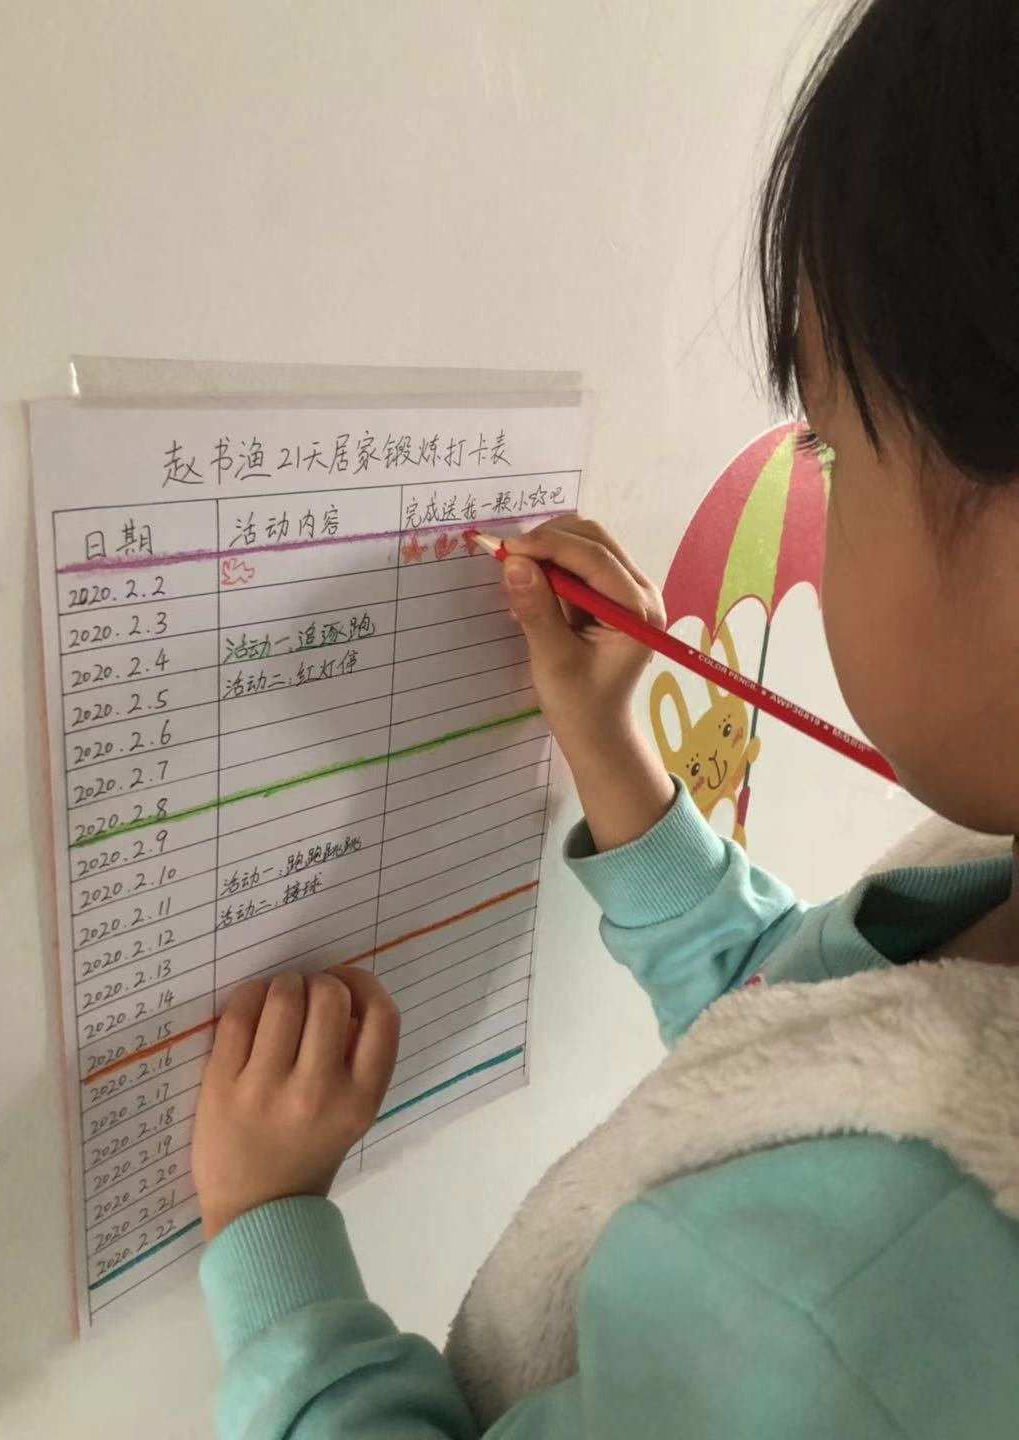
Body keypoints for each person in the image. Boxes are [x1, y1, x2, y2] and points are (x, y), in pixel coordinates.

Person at [191, 2, 1019, 1434]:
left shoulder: (839, 1316)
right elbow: (802, 1036)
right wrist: (608, 744)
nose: (822, 501)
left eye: (831, 451)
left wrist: (272, 1249)